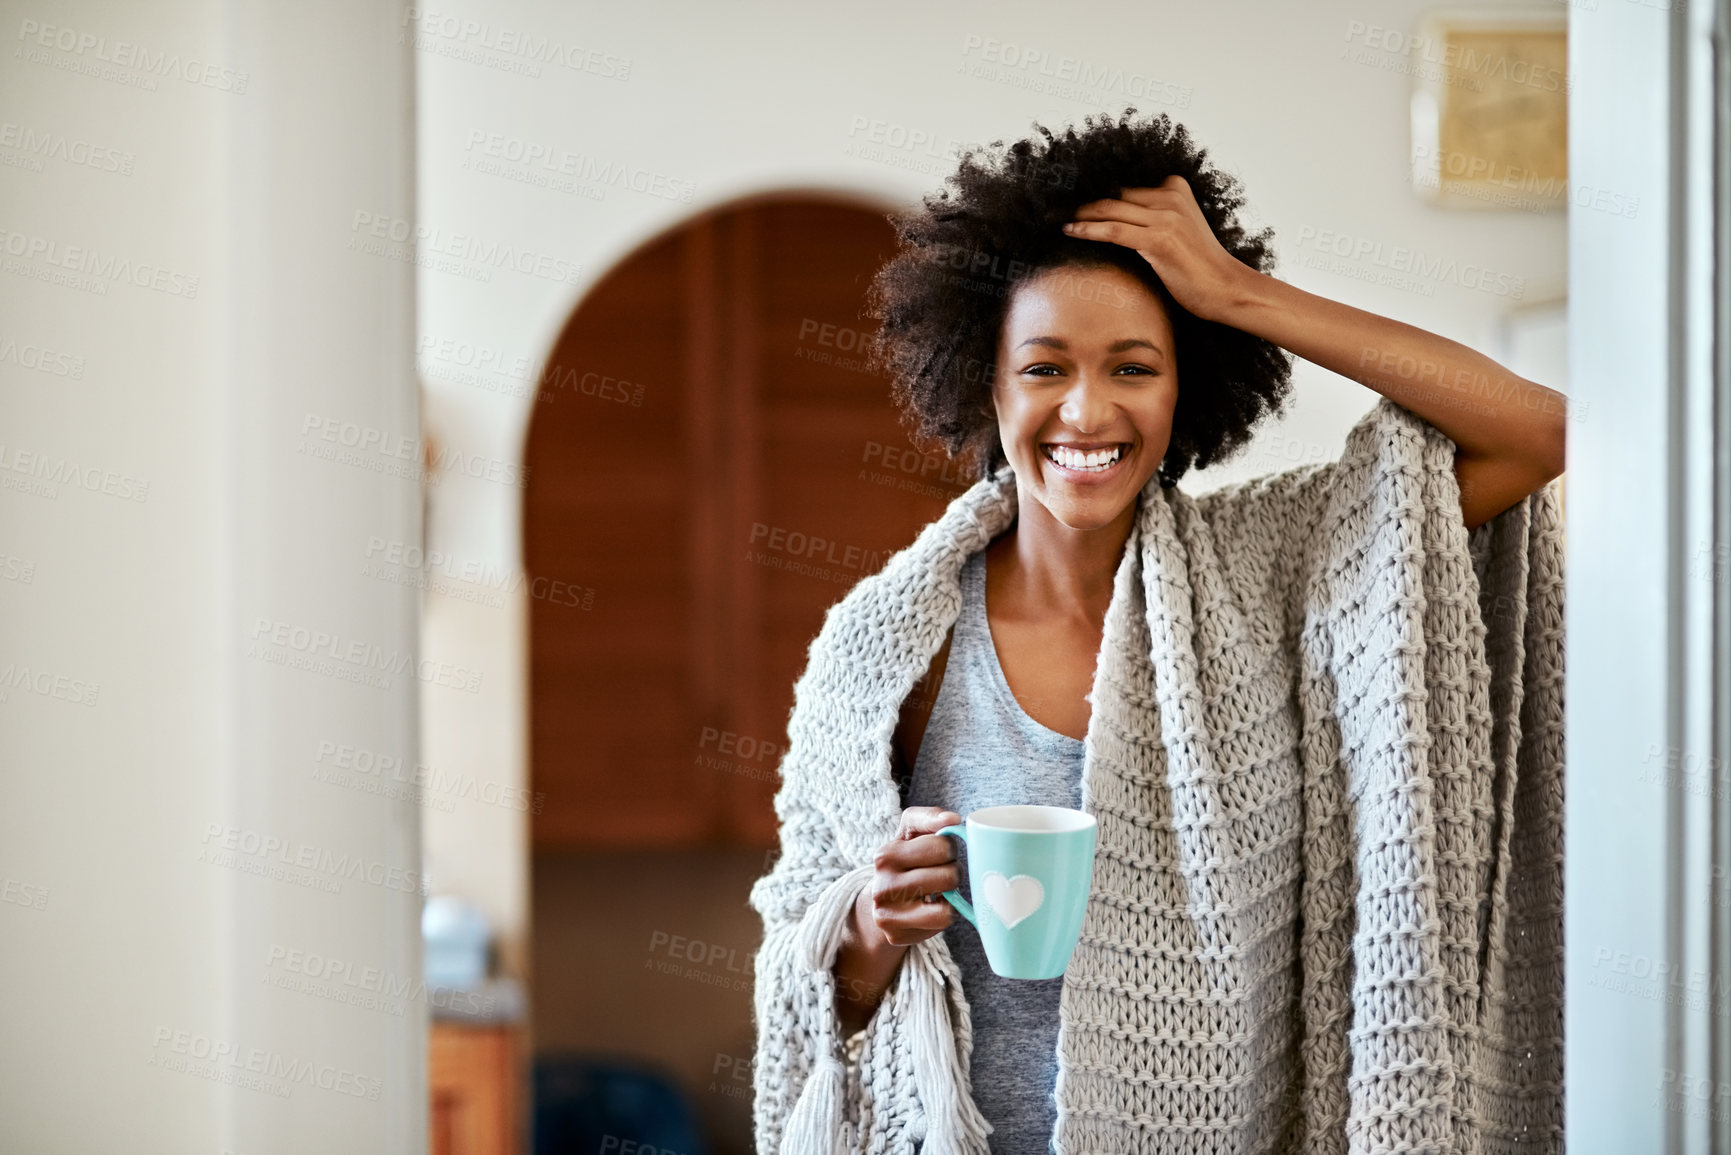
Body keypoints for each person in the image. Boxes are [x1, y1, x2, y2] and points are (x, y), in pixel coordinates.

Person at [760, 108, 1567, 1153]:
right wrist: (865, 931)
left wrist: (1238, 292)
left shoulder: (1272, 566)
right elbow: (800, 970)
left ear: (1186, 391)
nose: (1088, 413)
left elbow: (1536, 430)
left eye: (1134, 367)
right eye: (1045, 367)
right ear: (986, 384)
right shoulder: (887, 648)